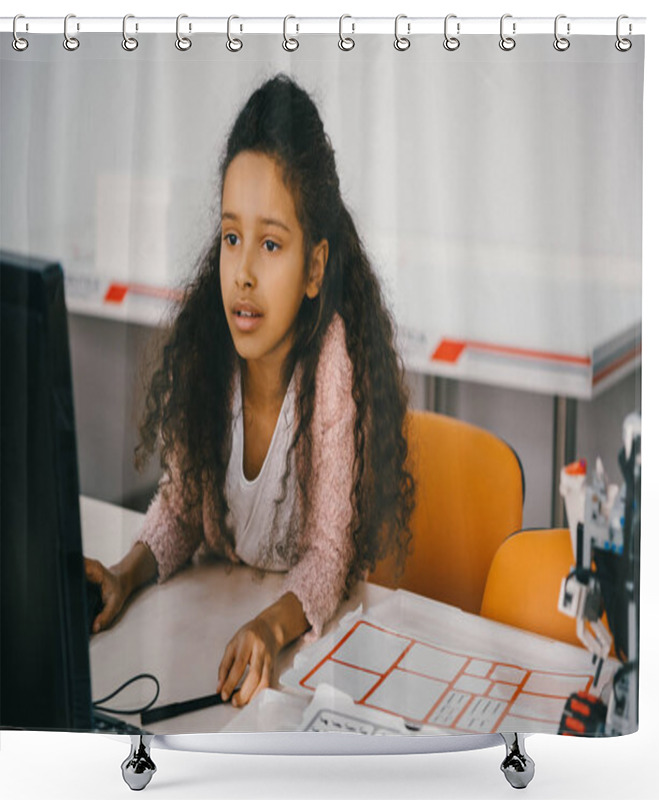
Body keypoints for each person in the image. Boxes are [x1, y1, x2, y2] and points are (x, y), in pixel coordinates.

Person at [84, 74, 415, 709]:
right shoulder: (209, 347)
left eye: (270, 244)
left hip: (312, 662)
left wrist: (270, 625)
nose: (242, 273)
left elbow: (327, 559)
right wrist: (124, 576)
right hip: (209, 624)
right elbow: (180, 514)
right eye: (232, 237)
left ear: (315, 267)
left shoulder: (331, 365)